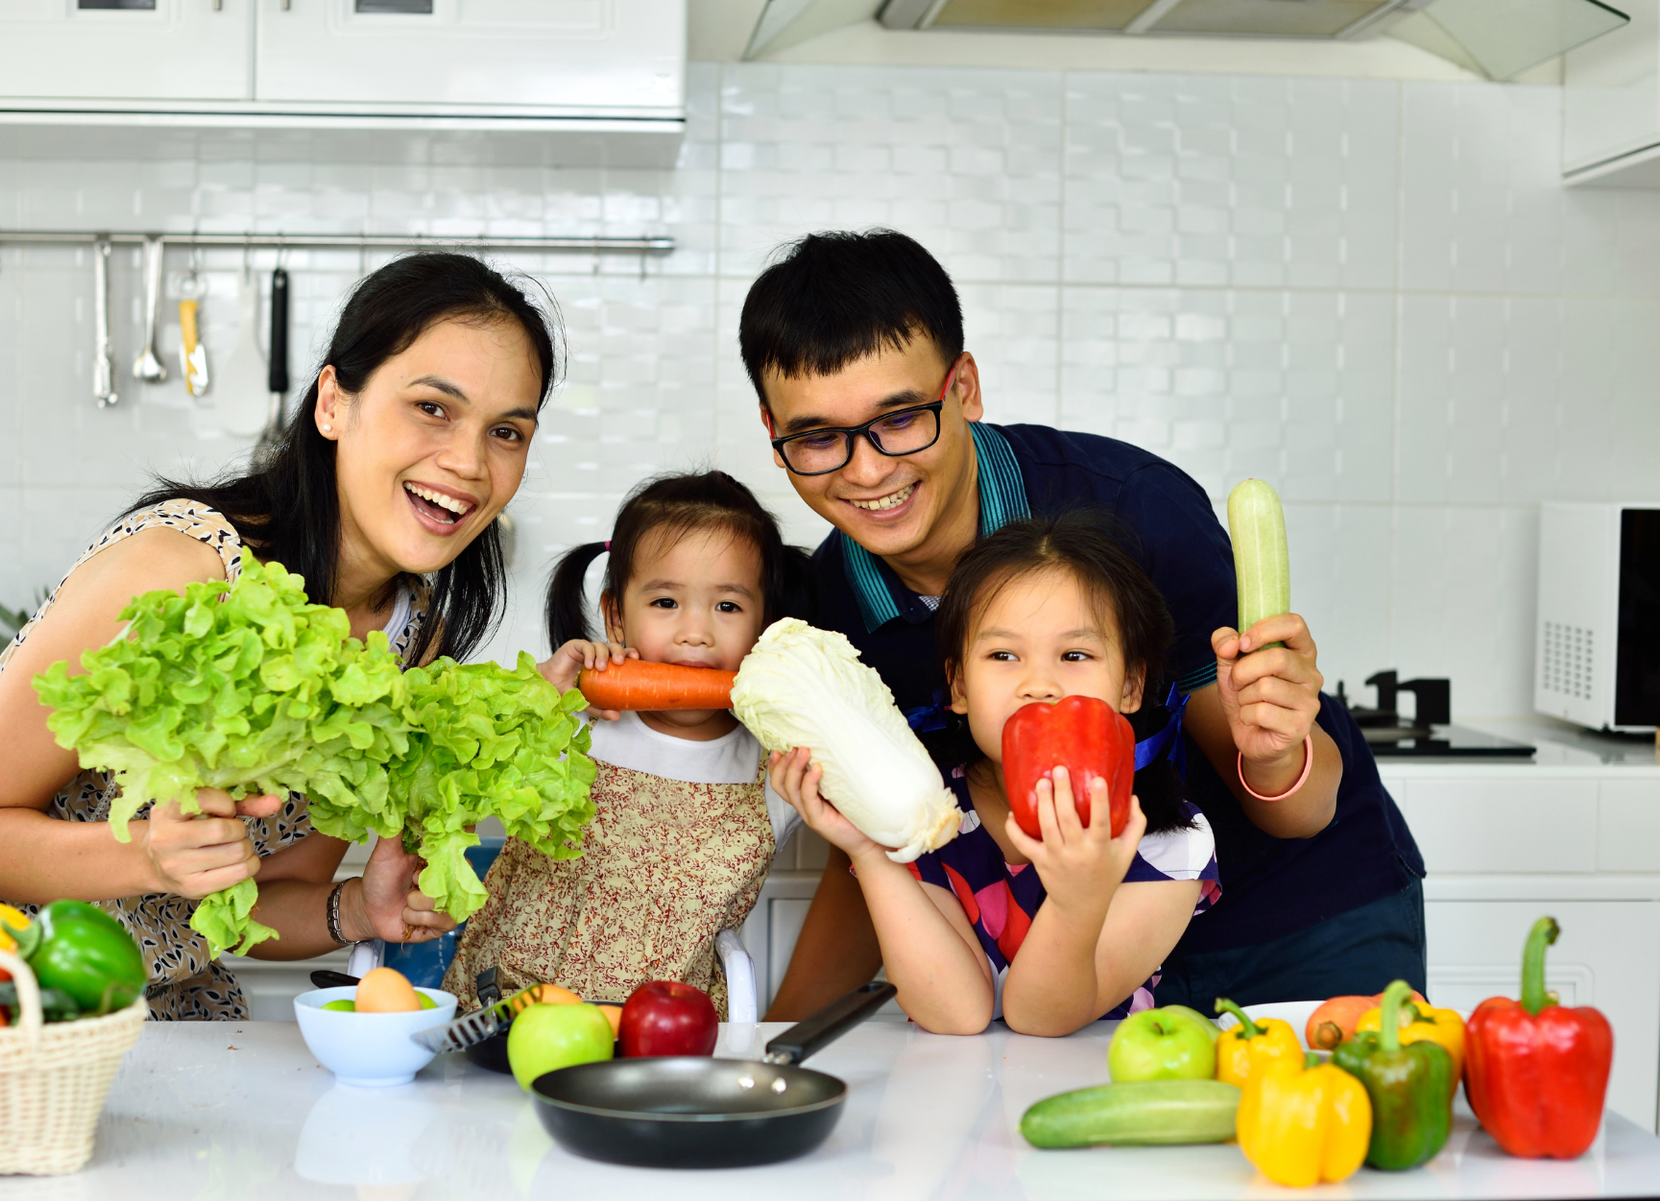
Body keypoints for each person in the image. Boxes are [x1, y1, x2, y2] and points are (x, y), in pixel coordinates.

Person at [747, 229, 1424, 1019]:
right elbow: (884, 843)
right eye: (818, 437)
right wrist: (770, 1045)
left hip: (1291, 928)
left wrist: (1277, 748)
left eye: (900, 419)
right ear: (773, 433)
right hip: (1066, 974)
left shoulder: (1139, 513)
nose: (868, 470)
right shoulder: (828, 617)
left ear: (963, 388)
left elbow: (1294, 808)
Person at [0, 252, 557, 1020]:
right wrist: (147, 853)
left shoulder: (410, 637)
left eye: (506, 431)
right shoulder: (181, 568)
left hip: (166, 1003)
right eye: (432, 408)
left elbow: (254, 902)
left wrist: (358, 908)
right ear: (332, 404)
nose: (469, 462)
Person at [771, 513, 1218, 1035]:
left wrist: (1078, 902)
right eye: (1003, 654)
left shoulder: (1170, 843)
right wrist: (868, 852)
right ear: (959, 686)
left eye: (1075, 654)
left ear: (1131, 687)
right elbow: (955, 1014)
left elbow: (1041, 1019)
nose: (1039, 684)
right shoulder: (926, 811)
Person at [442, 471, 810, 1016]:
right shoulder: (570, 723)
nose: (696, 632)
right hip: (507, 1017)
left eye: (728, 607)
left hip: (669, 1037)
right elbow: (446, 777)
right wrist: (533, 699)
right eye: (665, 601)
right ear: (616, 617)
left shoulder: (776, 769)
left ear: (765, 627)